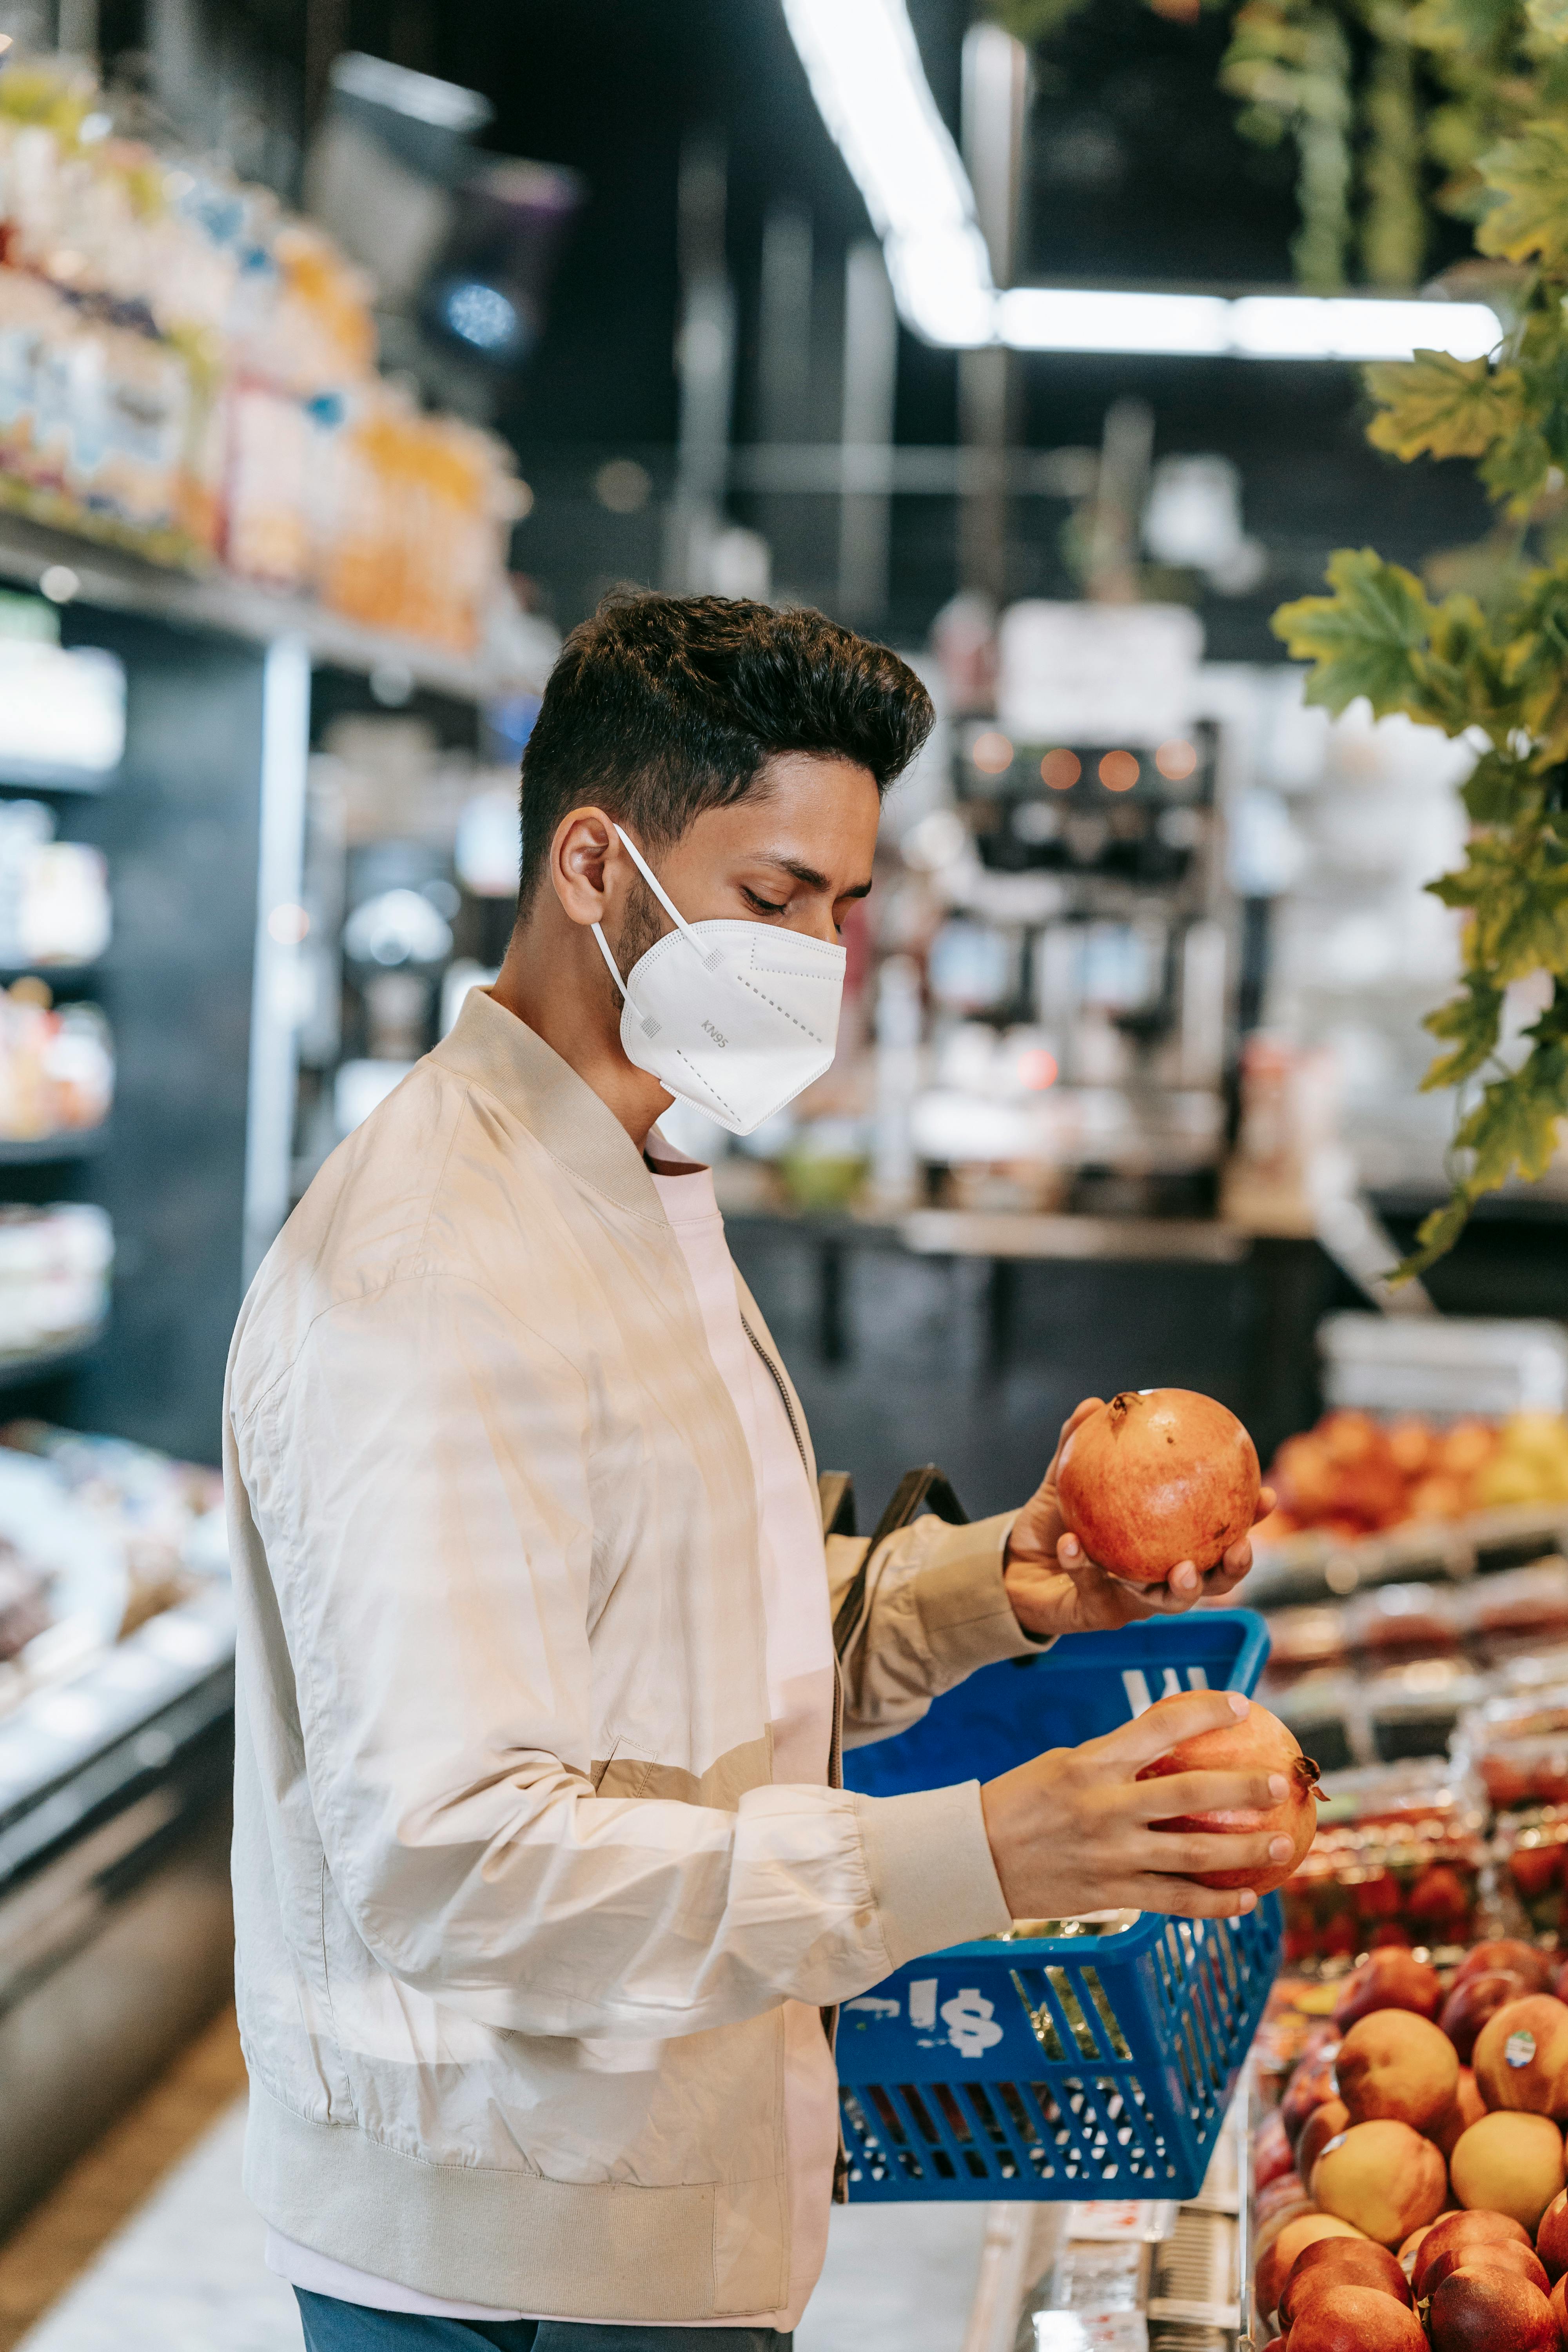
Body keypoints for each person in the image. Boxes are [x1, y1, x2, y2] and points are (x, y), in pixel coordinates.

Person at [225, 594, 1282, 2352]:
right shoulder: (428, 1270)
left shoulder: (628, 1172)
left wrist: (991, 1588)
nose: (821, 958)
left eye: (846, 910)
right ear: (591, 863)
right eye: (774, 901)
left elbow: (688, 1633)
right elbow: (460, 1862)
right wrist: (977, 1852)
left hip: (655, 2169)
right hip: (514, 2254)